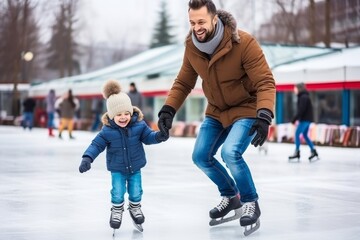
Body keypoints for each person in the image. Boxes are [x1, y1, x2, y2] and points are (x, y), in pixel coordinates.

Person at [157, 0, 275, 236]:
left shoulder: (243, 42)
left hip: (246, 108)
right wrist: (168, 109)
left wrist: (264, 115)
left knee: (230, 152)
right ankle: (232, 196)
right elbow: (183, 82)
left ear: (214, 18)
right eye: (192, 22)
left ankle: (250, 201)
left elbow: (264, 81)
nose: (196, 27)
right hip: (217, 111)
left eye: (201, 21)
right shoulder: (192, 46)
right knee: (200, 156)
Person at [78, 79, 169, 233]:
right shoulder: (107, 131)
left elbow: (148, 137)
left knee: (136, 190)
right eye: (118, 114)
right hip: (117, 168)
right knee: (118, 191)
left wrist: (159, 136)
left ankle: (135, 208)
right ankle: (117, 210)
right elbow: (96, 145)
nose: (123, 117)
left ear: (131, 112)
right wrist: (87, 158)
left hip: (135, 167)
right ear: (111, 115)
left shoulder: (139, 125)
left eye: (126, 113)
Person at [288, 82, 319, 162]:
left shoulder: (303, 97)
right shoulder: (303, 96)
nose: (294, 90)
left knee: (297, 134)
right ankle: (313, 151)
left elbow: (301, 110)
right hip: (307, 119)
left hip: (305, 119)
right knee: (305, 135)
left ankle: (297, 152)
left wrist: (294, 119)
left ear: (299, 88)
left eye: (295, 88)